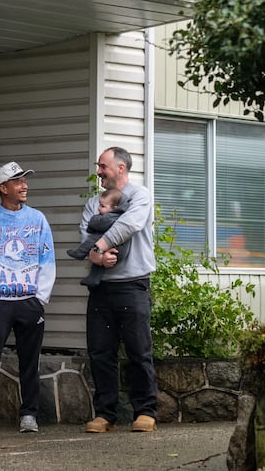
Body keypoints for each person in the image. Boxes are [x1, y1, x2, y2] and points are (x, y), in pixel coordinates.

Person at [0, 162, 56, 435]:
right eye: (17, 181)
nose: (24, 185)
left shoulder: (38, 219)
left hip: (30, 300)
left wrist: (40, 297)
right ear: (3, 188)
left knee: (30, 360)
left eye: (25, 180)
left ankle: (29, 414)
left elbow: (47, 258)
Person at [81, 147, 159, 434]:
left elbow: (130, 224)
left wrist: (99, 246)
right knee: (100, 352)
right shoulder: (93, 203)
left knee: (139, 351)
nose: (99, 171)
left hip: (133, 285)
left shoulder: (140, 196)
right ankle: (105, 414)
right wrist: (97, 256)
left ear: (121, 168)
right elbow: (85, 235)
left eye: (103, 166)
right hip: (101, 287)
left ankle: (146, 412)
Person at [66, 187, 130, 287]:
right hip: (115, 248)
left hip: (116, 250)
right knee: (97, 254)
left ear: (114, 208)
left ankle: (81, 252)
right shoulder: (115, 214)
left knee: (94, 238)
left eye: (102, 206)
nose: (99, 208)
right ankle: (93, 279)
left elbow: (97, 224)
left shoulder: (112, 217)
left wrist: (93, 222)